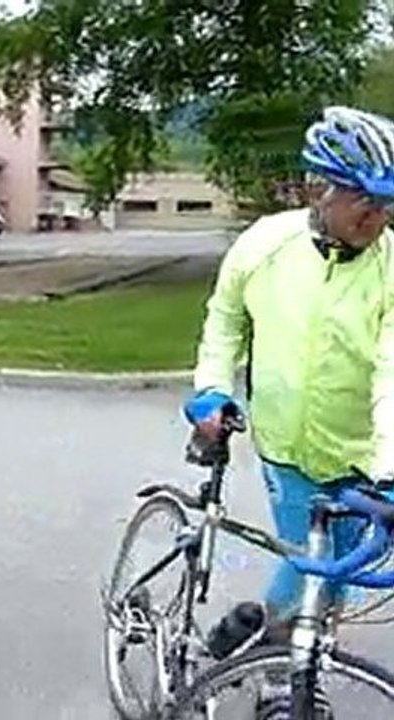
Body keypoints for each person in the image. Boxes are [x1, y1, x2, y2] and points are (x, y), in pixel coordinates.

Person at [184, 105, 394, 716]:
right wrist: (211, 391)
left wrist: (387, 470)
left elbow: (392, 372)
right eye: (364, 198)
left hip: (360, 454)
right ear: (318, 189)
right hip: (286, 448)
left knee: (339, 569)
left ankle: (258, 635)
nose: (378, 216)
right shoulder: (264, 245)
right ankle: (282, 672)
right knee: (318, 567)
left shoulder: (391, 268)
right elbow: (224, 325)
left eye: (388, 202)